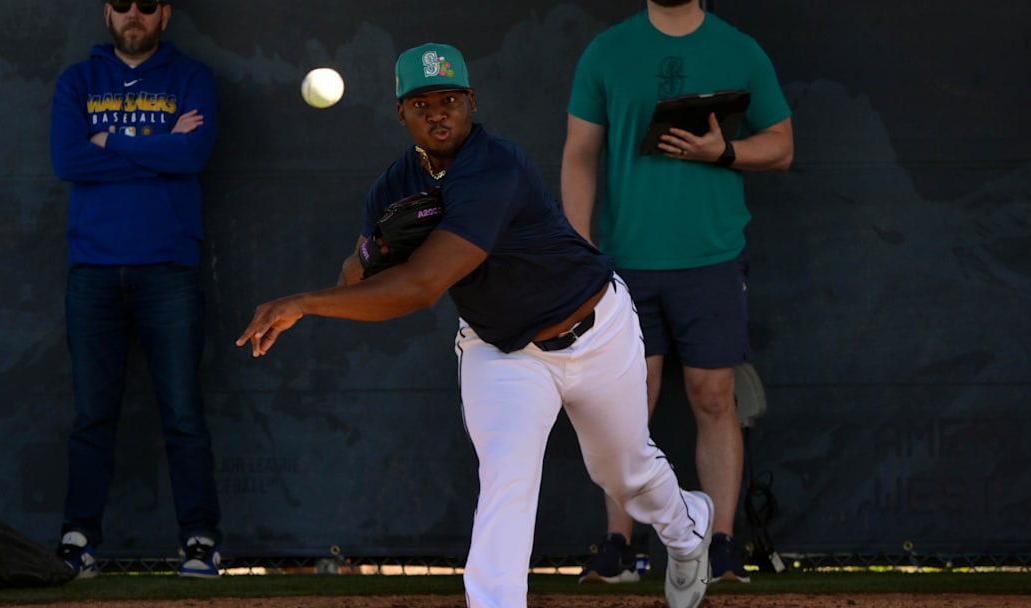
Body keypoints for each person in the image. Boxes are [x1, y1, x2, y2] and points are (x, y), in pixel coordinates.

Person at [237, 42, 714, 608]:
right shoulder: (392, 188)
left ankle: (687, 531)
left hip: (595, 327)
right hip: (503, 350)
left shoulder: (496, 166)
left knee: (624, 472)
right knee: (507, 478)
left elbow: (420, 289)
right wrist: (378, 249)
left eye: (449, 99)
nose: (437, 112)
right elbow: (354, 278)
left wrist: (305, 303)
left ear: (471, 102)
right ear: (401, 114)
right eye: (421, 102)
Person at [561, 0, 793, 585]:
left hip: (711, 260)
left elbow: (783, 145)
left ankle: (720, 547)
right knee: (625, 401)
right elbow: (580, 154)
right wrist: (580, 248)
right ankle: (618, 546)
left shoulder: (739, 50)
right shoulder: (607, 51)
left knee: (714, 396)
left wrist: (726, 152)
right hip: (624, 263)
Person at [49, 0, 223, 579]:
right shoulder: (78, 80)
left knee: (183, 413)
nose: (133, 14)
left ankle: (200, 539)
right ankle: (79, 541)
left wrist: (109, 142)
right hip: (93, 271)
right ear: (106, 12)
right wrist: (158, 143)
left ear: (165, 14)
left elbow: (192, 153)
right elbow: (67, 157)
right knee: (92, 417)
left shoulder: (192, 78)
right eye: (122, 3)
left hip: (168, 267)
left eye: (146, 5)